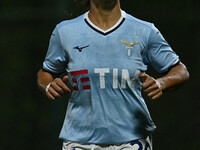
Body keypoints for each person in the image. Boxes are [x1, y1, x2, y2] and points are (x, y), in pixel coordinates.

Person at [37, 0, 189, 149]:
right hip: (79, 140)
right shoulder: (65, 32)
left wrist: (161, 83)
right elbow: (46, 72)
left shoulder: (144, 30)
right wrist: (48, 85)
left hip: (132, 139)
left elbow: (180, 70)